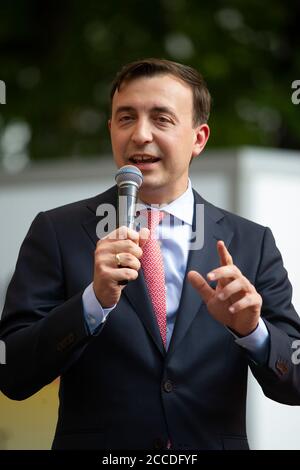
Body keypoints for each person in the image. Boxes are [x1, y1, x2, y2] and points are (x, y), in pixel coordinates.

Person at [1, 58, 300, 451]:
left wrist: (252, 332)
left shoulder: (251, 243)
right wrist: (92, 304)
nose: (140, 135)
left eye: (161, 119)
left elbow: (294, 379)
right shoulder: (57, 232)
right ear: (111, 130)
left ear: (199, 138)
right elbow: (13, 373)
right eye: (126, 118)